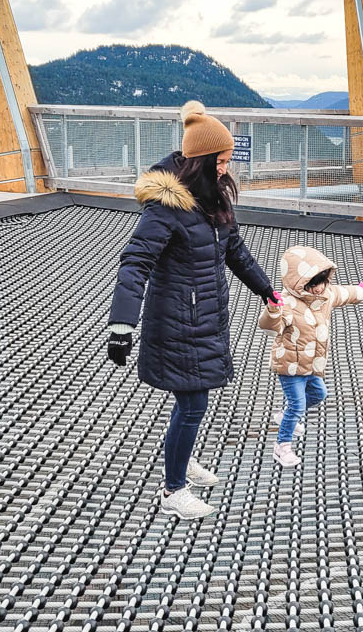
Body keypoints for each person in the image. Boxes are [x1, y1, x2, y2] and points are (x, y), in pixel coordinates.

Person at [107, 100, 277, 520]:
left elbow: (234, 251)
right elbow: (135, 262)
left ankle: (180, 462)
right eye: (220, 160)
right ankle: (173, 490)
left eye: (228, 160)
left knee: (190, 403)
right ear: (199, 159)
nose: (226, 167)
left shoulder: (213, 197)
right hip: (178, 321)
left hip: (205, 316)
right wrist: (122, 324)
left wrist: (267, 291)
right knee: (194, 402)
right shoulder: (167, 207)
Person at [258, 245, 363, 467]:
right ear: (298, 284)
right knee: (297, 405)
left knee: (320, 393)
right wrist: (273, 310)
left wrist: (360, 292)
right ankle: (282, 447)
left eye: (322, 282)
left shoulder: (325, 295)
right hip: (290, 366)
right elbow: (269, 327)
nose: (319, 288)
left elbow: (343, 294)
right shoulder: (288, 304)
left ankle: (284, 417)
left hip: (312, 364)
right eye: (313, 285)